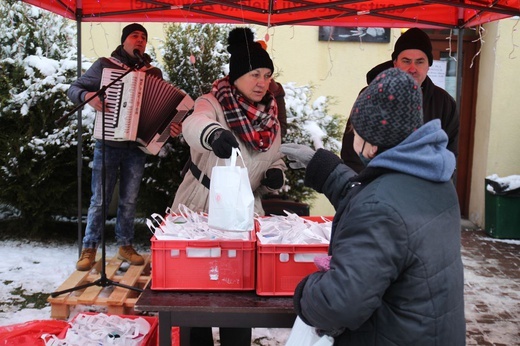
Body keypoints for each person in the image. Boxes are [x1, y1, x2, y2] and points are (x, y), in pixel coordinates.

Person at [280, 68, 466, 345]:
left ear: (371, 144)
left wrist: (306, 289)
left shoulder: (380, 206)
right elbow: (388, 206)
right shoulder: (433, 178)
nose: (352, 135)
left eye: (355, 129)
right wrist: (325, 169)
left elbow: (338, 304)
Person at [171, 27, 286, 345]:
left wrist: (275, 175)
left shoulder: (270, 118)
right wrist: (213, 134)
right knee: (195, 299)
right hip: (199, 208)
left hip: (243, 216)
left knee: (239, 298)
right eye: (254, 74)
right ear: (236, 78)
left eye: (266, 74)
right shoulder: (212, 103)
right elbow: (194, 124)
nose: (262, 82)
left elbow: (274, 159)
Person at [67, 23, 177, 271]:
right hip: (108, 141)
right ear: (124, 41)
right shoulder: (106, 65)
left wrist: (172, 128)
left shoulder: (153, 73)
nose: (139, 40)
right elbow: (74, 89)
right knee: (100, 199)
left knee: (129, 200)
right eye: (134, 36)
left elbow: (164, 113)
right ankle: (90, 247)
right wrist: (89, 97)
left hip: (137, 146)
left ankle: (125, 245)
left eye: (143, 38)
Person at [341, 28, 459, 173]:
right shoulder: (371, 96)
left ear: (429, 65)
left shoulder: (444, 103)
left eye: (420, 62)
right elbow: (351, 153)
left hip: (422, 188)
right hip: (376, 187)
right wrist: (362, 187)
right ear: (395, 63)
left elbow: (450, 153)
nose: (412, 68)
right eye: (406, 61)